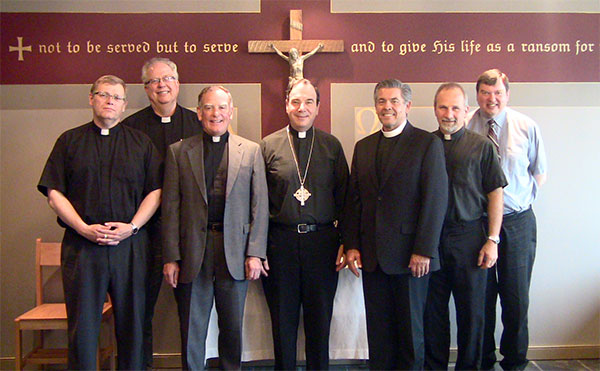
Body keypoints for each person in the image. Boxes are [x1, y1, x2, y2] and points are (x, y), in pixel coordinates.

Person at [38, 75, 163, 370]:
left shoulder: (140, 143)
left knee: (133, 325)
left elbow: (156, 192)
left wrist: (131, 227)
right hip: (82, 248)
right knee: (82, 328)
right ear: (91, 98)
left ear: (124, 106)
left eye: (116, 98)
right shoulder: (69, 141)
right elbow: (54, 193)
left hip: (130, 248)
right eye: (104, 95)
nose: (110, 102)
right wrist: (82, 228)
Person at [162, 86, 269, 370]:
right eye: (209, 107)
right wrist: (171, 257)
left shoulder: (251, 151)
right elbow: (170, 209)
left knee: (232, 327)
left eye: (222, 107)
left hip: (234, 252)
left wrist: (256, 253)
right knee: (191, 328)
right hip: (192, 252)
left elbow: (260, 207)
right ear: (199, 112)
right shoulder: (178, 152)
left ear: (231, 111)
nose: (216, 113)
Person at [343, 78, 448, 370]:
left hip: (411, 258)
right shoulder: (363, 147)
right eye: (381, 101)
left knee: (410, 334)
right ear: (375, 106)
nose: (387, 107)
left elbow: (435, 200)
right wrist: (352, 245)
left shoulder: (427, 144)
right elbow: (355, 201)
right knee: (379, 334)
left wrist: (424, 250)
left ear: (407, 106)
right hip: (373, 257)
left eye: (394, 102)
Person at [261, 78, 348, 370]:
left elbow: (345, 198)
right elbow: (258, 204)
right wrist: (258, 249)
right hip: (279, 244)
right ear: (286, 104)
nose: (302, 108)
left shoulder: (331, 146)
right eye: (296, 101)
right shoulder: (269, 145)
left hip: (322, 243)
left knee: (319, 322)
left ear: (318, 107)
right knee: (282, 322)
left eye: (309, 102)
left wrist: (345, 242)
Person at [121, 57, 202, 368]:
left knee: (192, 313)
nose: (162, 85)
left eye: (168, 78)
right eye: (154, 81)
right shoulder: (130, 128)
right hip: (145, 236)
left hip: (188, 236)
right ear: (145, 88)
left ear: (178, 83)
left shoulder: (198, 124)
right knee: (139, 312)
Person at [467, 69, 547, 370]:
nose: (492, 99)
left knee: (516, 299)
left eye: (498, 92)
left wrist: (517, 202)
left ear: (507, 94)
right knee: (481, 298)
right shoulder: (466, 125)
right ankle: (484, 359)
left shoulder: (527, 126)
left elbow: (540, 172)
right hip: (477, 225)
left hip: (517, 222)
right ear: (478, 95)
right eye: (486, 93)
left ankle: (514, 361)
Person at [424, 83, 507, 370]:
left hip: (470, 237)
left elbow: (496, 193)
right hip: (431, 241)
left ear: (466, 111)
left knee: (472, 313)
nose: (449, 114)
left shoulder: (481, 145)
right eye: (443, 107)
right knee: (432, 313)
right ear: (435, 110)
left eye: (455, 108)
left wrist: (492, 240)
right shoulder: (425, 145)